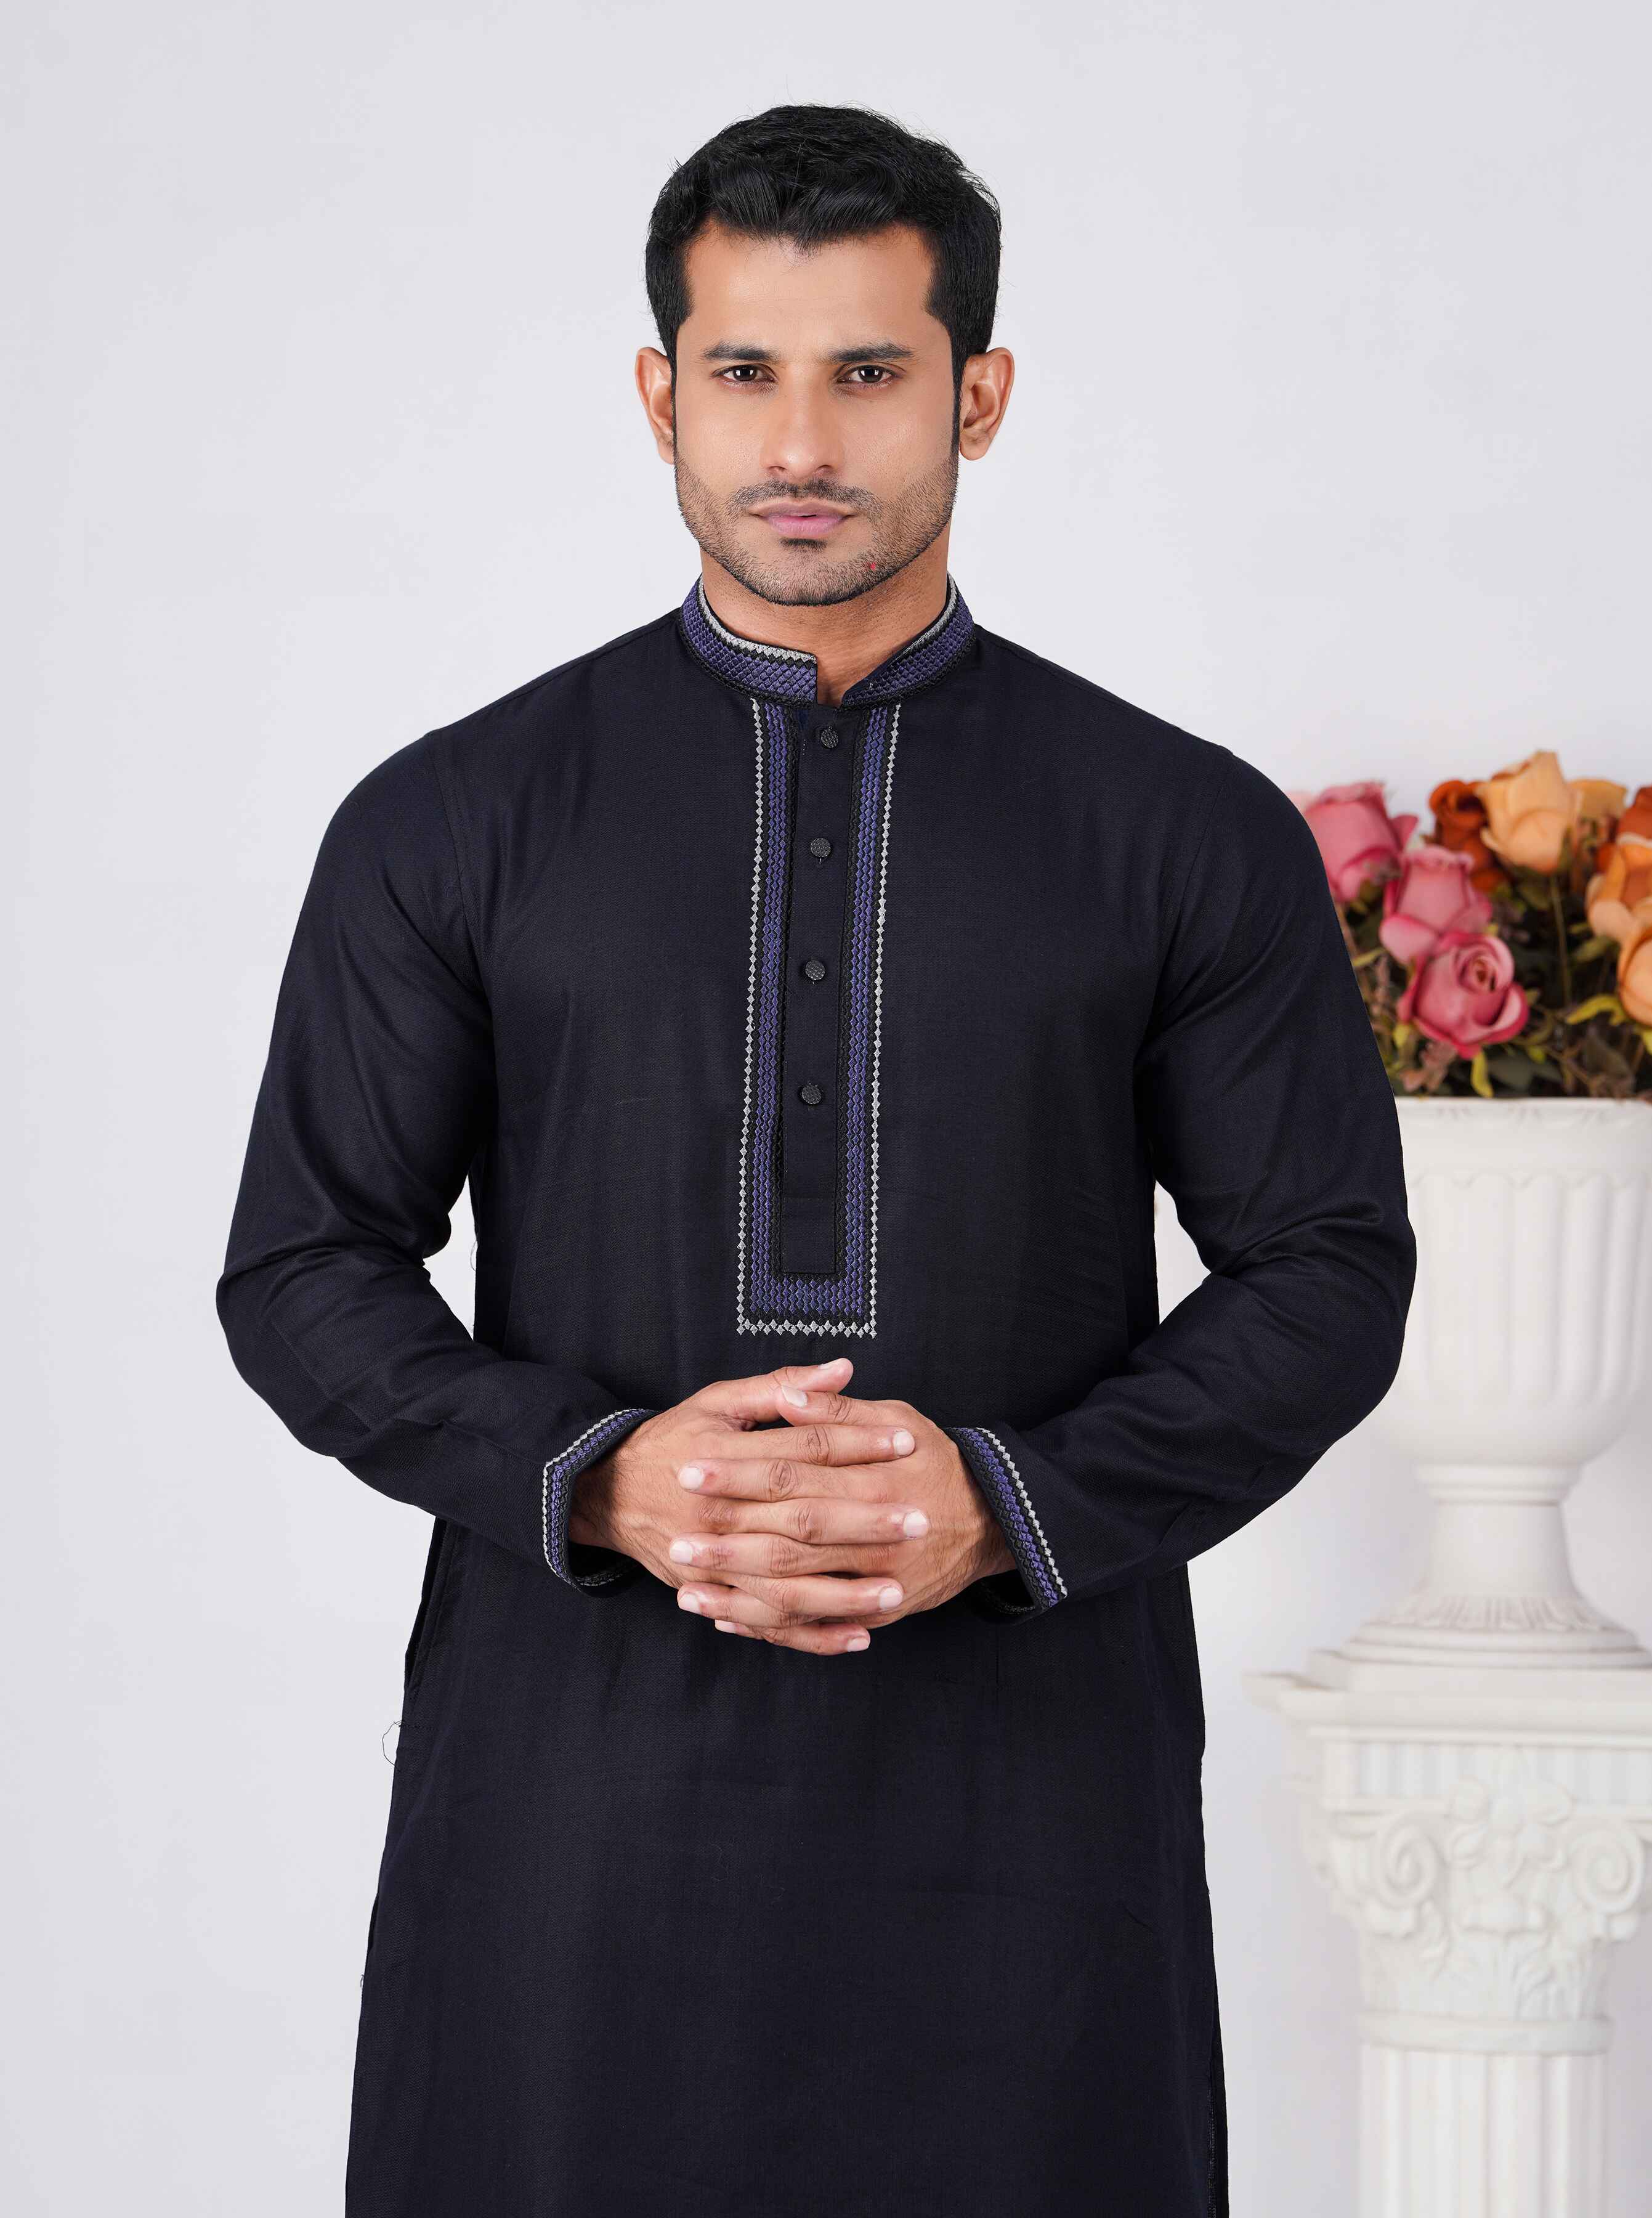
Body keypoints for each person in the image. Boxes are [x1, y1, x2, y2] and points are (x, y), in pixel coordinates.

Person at [216, 100, 1415, 2217]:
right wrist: (605, 1477)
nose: (798, 441)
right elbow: (306, 1267)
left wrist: (1003, 1502)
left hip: (1026, 1798)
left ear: (978, 394)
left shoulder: (1175, 829)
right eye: (744, 372)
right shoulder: (454, 818)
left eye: (865, 371)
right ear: (657, 395)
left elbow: (1325, 1267)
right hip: (573, 1795)